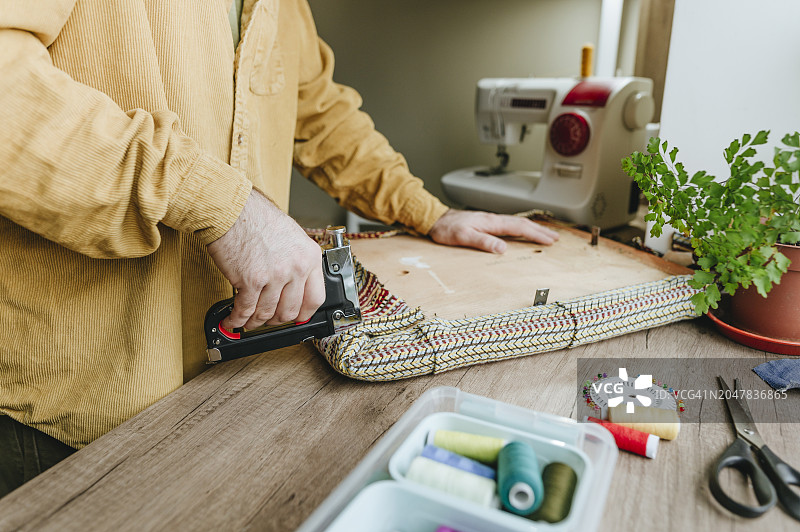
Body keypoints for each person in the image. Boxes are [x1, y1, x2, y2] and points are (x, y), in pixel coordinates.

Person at [0, 0, 558, 496]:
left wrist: (427, 211)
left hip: (222, 384)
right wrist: (225, 207)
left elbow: (321, 114)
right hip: (65, 406)